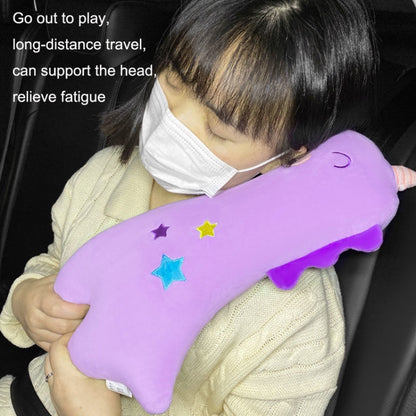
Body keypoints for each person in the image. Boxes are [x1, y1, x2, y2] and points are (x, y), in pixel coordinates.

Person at [0, 0, 378, 414]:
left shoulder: (293, 315)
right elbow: (55, 260)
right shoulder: (106, 173)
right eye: (175, 82)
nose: (174, 122)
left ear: (290, 154)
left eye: (219, 129)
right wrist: (28, 298)